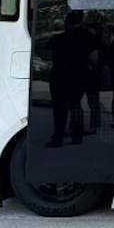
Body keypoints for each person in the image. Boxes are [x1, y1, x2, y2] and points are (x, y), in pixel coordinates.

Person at [45, 11, 99, 147]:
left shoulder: (59, 39)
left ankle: (58, 136)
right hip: (79, 75)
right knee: (75, 105)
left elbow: (47, 54)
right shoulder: (87, 37)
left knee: (60, 108)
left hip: (60, 76)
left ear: (66, 22)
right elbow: (94, 57)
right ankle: (77, 134)